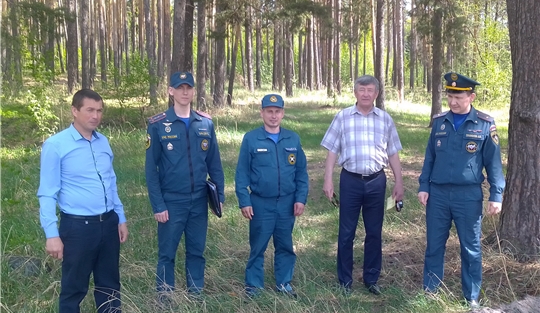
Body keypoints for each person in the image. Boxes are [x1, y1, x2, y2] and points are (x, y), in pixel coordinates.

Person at [37, 89, 129, 313]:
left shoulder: (103, 142)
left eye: (99, 110)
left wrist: (120, 217)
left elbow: (111, 183)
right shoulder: (56, 145)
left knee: (109, 283)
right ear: (75, 111)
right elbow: (47, 193)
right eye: (90, 110)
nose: (95, 116)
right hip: (77, 228)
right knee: (74, 288)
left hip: (108, 223)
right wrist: (52, 234)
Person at [418, 72, 505, 309]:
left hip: (468, 196)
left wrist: (496, 195)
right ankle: (431, 291)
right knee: (434, 245)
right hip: (437, 195)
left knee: (471, 248)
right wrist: (423, 186)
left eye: (459, 97)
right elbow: (430, 157)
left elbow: (494, 163)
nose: (453, 101)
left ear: (471, 97)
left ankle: (471, 296)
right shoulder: (439, 122)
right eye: (450, 95)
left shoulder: (485, 124)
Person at [321, 75, 404, 295]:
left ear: (376, 94)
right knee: (346, 232)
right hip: (350, 181)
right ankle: (345, 281)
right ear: (355, 92)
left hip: (377, 182)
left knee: (374, 232)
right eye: (361, 89)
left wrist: (399, 182)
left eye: (370, 90)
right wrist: (328, 179)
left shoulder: (385, 119)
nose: (366, 94)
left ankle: (371, 278)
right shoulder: (343, 117)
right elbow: (332, 150)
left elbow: (393, 152)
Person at [145, 71, 225, 298]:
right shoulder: (158, 125)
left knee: (197, 251)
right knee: (167, 253)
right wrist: (158, 205)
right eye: (179, 88)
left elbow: (214, 163)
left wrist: (219, 195)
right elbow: (151, 170)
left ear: (193, 91)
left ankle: (195, 293)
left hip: (199, 199)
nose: (184, 92)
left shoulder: (205, 123)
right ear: (171, 91)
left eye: (188, 87)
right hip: (172, 200)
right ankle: (165, 297)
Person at [235, 94, 309, 298]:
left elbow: (301, 172)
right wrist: (244, 201)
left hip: (287, 203)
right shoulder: (251, 139)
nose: (273, 116)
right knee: (258, 246)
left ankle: (284, 283)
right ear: (262, 113)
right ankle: (254, 287)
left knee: (285, 245)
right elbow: (242, 173)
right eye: (269, 111)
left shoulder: (292, 139)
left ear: (283, 113)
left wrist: (300, 198)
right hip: (261, 203)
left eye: (277, 111)